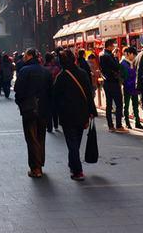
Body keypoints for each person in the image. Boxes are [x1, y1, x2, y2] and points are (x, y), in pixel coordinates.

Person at [52, 49, 97, 180]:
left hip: (67, 116)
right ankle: (73, 164)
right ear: (74, 59)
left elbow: (55, 97)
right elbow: (89, 93)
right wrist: (92, 112)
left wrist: (56, 113)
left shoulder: (61, 77)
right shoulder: (82, 73)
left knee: (72, 143)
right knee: (76, 141)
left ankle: (77, 170)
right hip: (82, 114)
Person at [14, 48, 52, 178]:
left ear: (30, 56)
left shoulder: (24, 71)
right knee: (41, 137)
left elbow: (18, 89)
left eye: (25, 55)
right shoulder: (45, 71)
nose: (23, 57)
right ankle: (40, 164)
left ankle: (36, 168)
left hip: (29, 110)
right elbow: (50, 91)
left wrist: (20, 103)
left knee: (31, 138)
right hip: (43, 109)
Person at [99, 39, 125, 132]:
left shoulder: (101, 54)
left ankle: (110, 126)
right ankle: (119, 125)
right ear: (110, 46)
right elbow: (117, 66)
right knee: (118, 104)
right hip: (113, 82)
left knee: (109, 105)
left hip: (106, 83)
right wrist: (116, 57)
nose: (114, 47)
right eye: (113, 46)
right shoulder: (109, 56)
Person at [120, 46, 142, 129]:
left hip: (134, 87)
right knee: (126, 105)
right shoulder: (123, 63)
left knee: (135, 105)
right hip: (127, 87)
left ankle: (137, 122)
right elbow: (121, 77)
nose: (134, 56)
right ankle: (127, 122)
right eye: (133, 54)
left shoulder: (134, 62)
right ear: (128, 54)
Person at [44, 52, 61, 132]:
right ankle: (56, 125)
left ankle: (49, 126)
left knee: (47, 109)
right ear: (51, 60)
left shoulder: (43, 69)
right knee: (55, 109)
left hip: (46, 92)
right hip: (55, 91)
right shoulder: (56, 69)